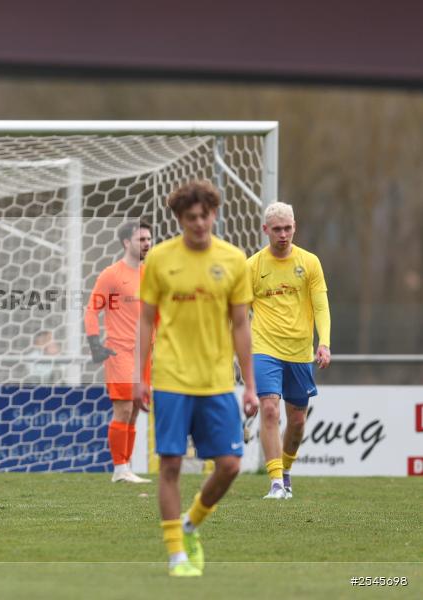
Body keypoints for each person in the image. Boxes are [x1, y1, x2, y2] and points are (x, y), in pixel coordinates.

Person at [135, 181, 259, 577]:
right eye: (191, 218)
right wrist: (140, 376)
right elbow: (146, 319)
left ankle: (190, 524)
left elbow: (241, 324)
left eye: (205, 216)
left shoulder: (234, 260)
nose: (200, 223)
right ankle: (176, 556)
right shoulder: (160, 259)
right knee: (170, 464)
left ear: (214, 215)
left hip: (217, 382)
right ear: (180, 220)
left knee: (229, 465)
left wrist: (251, 385)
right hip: (171, 378)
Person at [248, 201, 331, 500]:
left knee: (296, 422)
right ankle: (275, 483)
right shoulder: (253, 266)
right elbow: (236, 314)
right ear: (265, 230)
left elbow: (321, 305)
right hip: (264, 347)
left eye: (287, 228)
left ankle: (285, 471)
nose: (283, 234)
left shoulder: (309, 263)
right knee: (269, 409)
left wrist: (324, 342)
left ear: (294, 227)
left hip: (299, 352)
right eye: (277, 229)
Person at [85, 220, 152, 483]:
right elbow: (92, 309)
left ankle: (126, 469)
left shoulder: (150, 275)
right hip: (119, 351)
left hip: (144, 354)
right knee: (123, 409)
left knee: (135, 410)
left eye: (149, 239)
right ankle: (119, 468)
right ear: (127, 243)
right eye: (141, 239)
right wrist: (94, 344)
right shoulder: (112, 275)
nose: (147, 243)